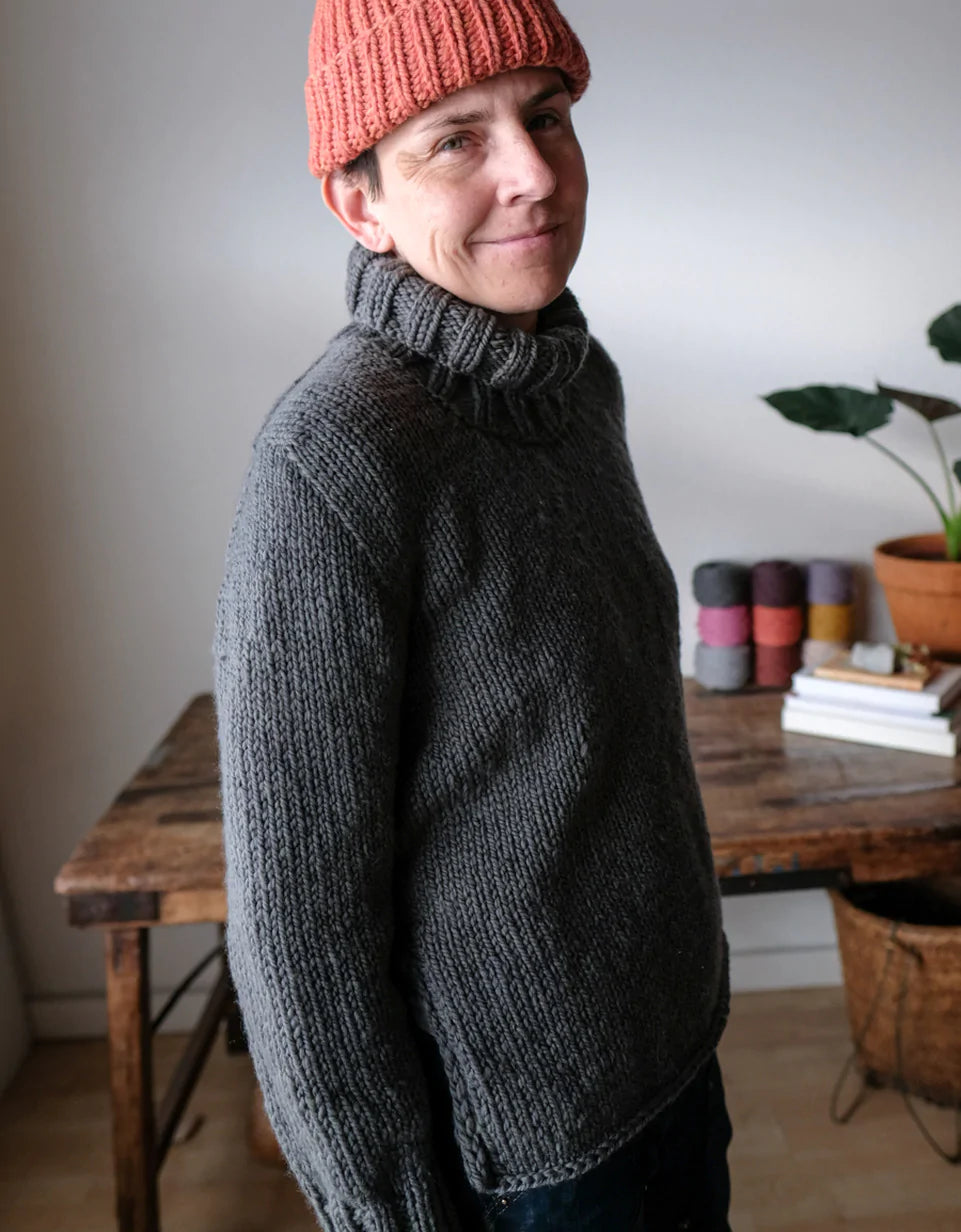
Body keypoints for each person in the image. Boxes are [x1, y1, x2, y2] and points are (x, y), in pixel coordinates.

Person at [212, 1, 733, 1229]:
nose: (533, 173)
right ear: (360, 205)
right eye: (456, 139)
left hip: (671, 1057)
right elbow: (298, 931)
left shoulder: (575, 383)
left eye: (545, 116)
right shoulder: (335, 460)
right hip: (524, 1156)